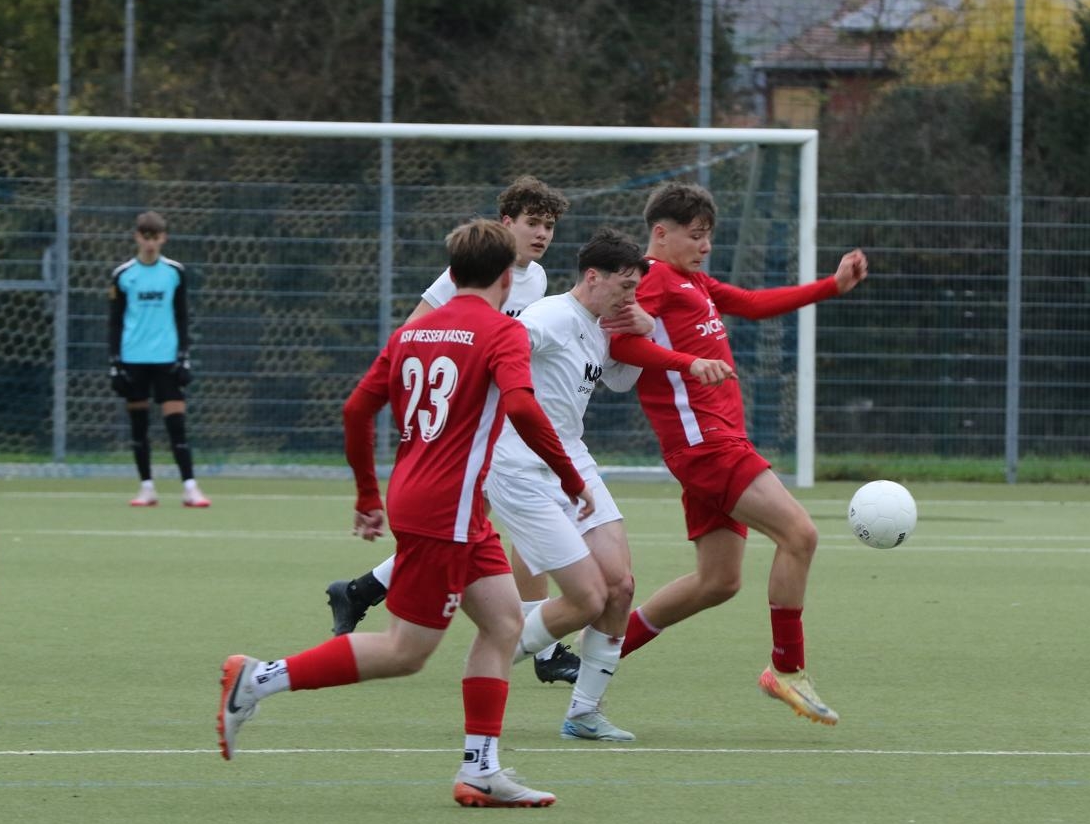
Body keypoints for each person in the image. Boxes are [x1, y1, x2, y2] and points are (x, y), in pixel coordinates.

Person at [218, 218, 593, 808]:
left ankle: (480, 769)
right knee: (405, 651)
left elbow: (355, 410)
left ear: (453, 273)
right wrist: (570, 477)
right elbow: (522, 406)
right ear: (506, 276)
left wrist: (368, 495)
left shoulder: (412, 331)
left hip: (439, 502)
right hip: (446, 510)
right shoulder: (503, 331)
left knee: (503, 624)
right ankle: (259, 678)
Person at [608, 181, 869, 726]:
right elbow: (622, 344)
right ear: (661, 233)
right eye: (695, 235)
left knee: (718, 581)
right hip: (706, 443)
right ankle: (787, 669)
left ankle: (596, 655)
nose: (705, 246)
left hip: (717, 441)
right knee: (800, 535)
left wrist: (832, 286)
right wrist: (688, 363)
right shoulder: (652, 278)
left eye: (709, 236)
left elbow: (750, 304)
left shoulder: (693, 280)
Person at [323, 176, 581, 682]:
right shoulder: (466, 276)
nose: (542, 234)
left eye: (549, 226)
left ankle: (363, 590)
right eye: (532, 223)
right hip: (467, 416)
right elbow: (414, 333)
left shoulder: (537, 279)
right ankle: (544, 648)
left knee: (472, 525)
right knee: (511, 518)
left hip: (498, 414)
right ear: (505, 223)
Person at [482, 228, 733, 741]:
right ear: (593, 277)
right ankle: (492, 656)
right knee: (588, 597)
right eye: (625, 287)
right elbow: (498, 353)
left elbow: (618, 379)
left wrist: (645, 330)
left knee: (620, 587)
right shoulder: (550, 317)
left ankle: (583, 713)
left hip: (572, 458)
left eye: (635, 289)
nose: (631, 298)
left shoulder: (602, 325)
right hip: (520, 467)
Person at [108, 210, 210, 508]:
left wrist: (184, 356)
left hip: (166, 359)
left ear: (163, 238)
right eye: (145, 236)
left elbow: (182, 316)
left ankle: (190, 487)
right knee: (139, 427)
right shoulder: (123, 274)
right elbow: (115, 321)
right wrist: (115, 363)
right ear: (137, 237)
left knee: (176, 425)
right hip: (133, 359)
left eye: (155, 237)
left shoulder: (175, 272)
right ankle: (147, 487)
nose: (150, 243)